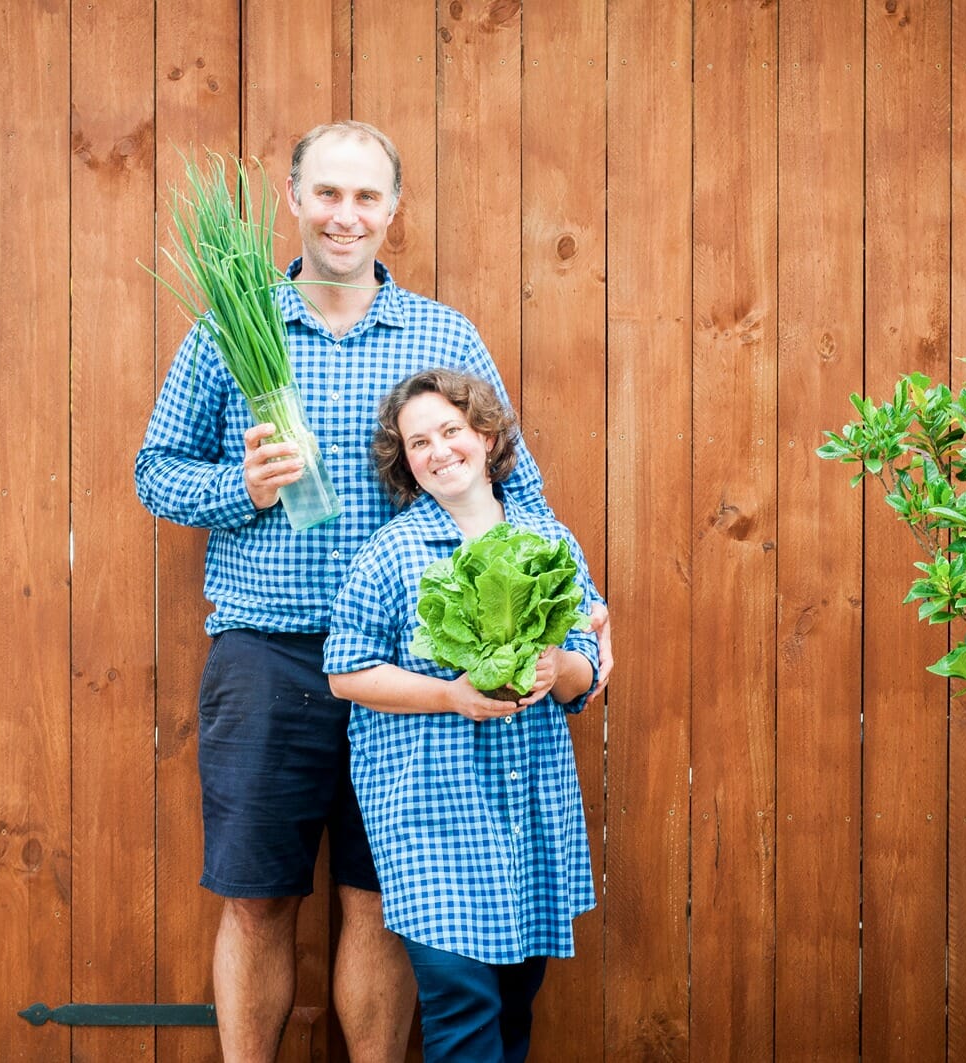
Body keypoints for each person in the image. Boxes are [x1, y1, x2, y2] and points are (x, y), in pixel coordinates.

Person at [134, 120, 611, 1061]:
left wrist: (576, 608)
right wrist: (246, 485)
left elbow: (515, 484)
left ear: (393, 210)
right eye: (326, 193)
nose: (344, 216)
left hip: (414, 674)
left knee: (384, 898)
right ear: (294, 201)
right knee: (259, 897)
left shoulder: (443, 333)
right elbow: (155, 472)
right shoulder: (236, 326)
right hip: (269, 654)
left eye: (365, 197)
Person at [323, 369, 598, 1063]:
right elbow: (345, 670)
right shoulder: (391, 553)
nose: (439, 450)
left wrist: (556, 667)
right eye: (419, 442)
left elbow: (587, 667)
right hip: (432, 816)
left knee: (511, 1009)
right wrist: (451, 694)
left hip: (528, 816)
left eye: (451, 430)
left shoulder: (547, 539)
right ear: (404, 461)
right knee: (462, 1010)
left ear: (487, 434)